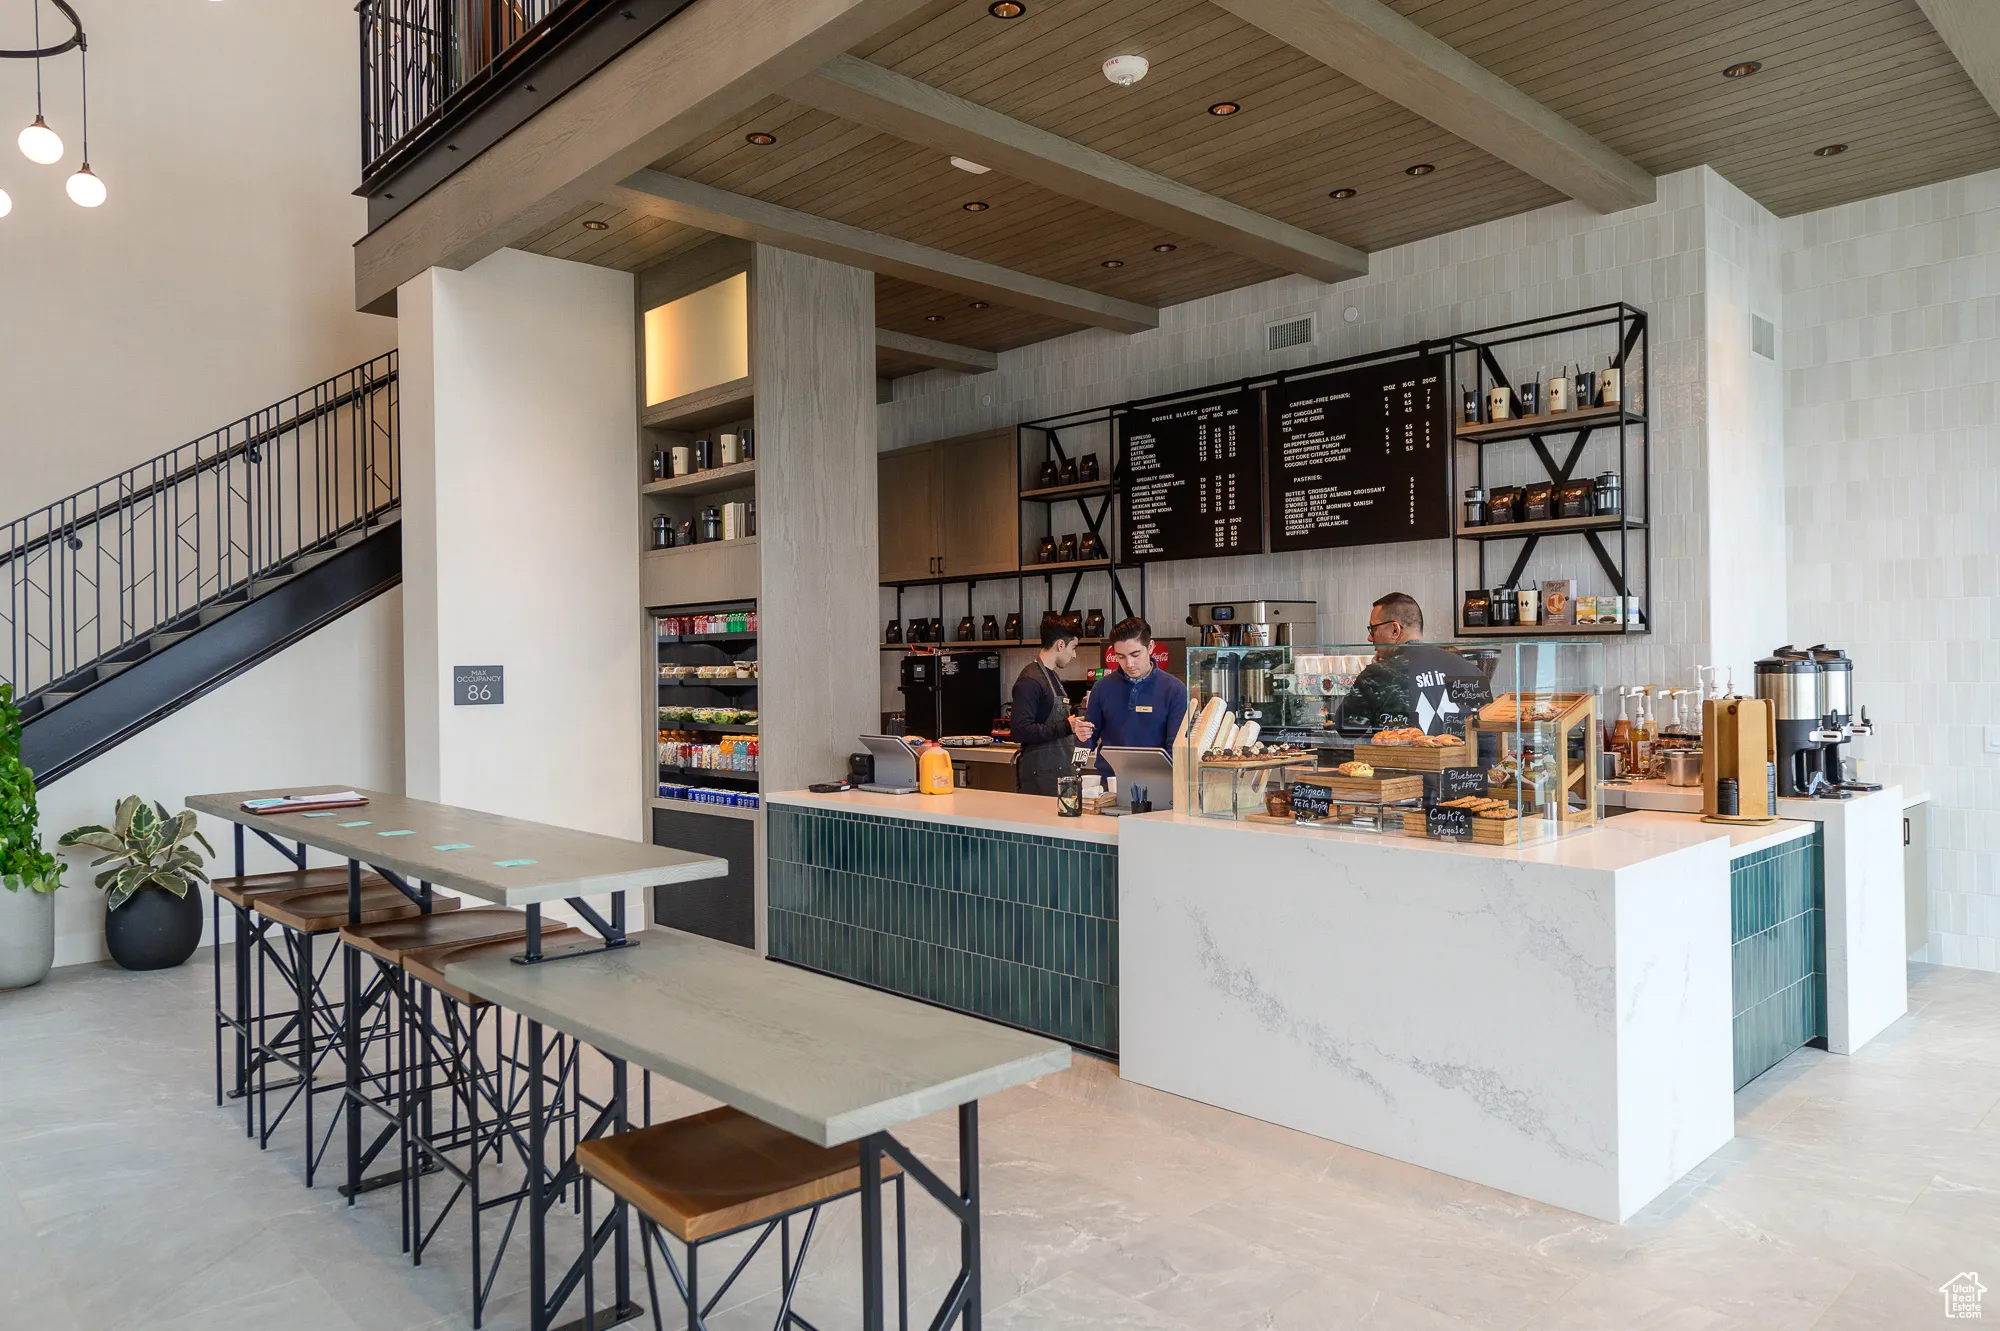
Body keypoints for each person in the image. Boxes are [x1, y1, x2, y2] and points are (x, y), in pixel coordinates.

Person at [1336, 593, 1491, 737]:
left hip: (1402, 759)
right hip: (1460, 759)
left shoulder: (1378, 675)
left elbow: (1347, 729)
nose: (1370, 638)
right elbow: (1488, 737)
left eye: (1373, 629)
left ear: (1395, 630)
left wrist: (1373, 676)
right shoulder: (1470, 670)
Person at [1082, 617, 1188, 775]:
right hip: (1109, 781)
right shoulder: (1101, 688)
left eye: (1135, 654)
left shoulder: (1174, 689)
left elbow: (1176, 748)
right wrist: (1082, 737)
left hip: (1158, 781)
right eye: (1121, 657)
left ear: (1150, 647)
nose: (1129, 664)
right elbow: (1088, 740)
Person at [1011, 613, 1092, 796]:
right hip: (1040, 778)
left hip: (1060, 773)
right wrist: (1067, 726)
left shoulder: (1052, 675)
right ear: (1060, 645)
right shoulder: (1030, 680)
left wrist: (1077, 709)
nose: (1074, 655)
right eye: (1073, 647)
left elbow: (1048, 716)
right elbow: (1020, 730)